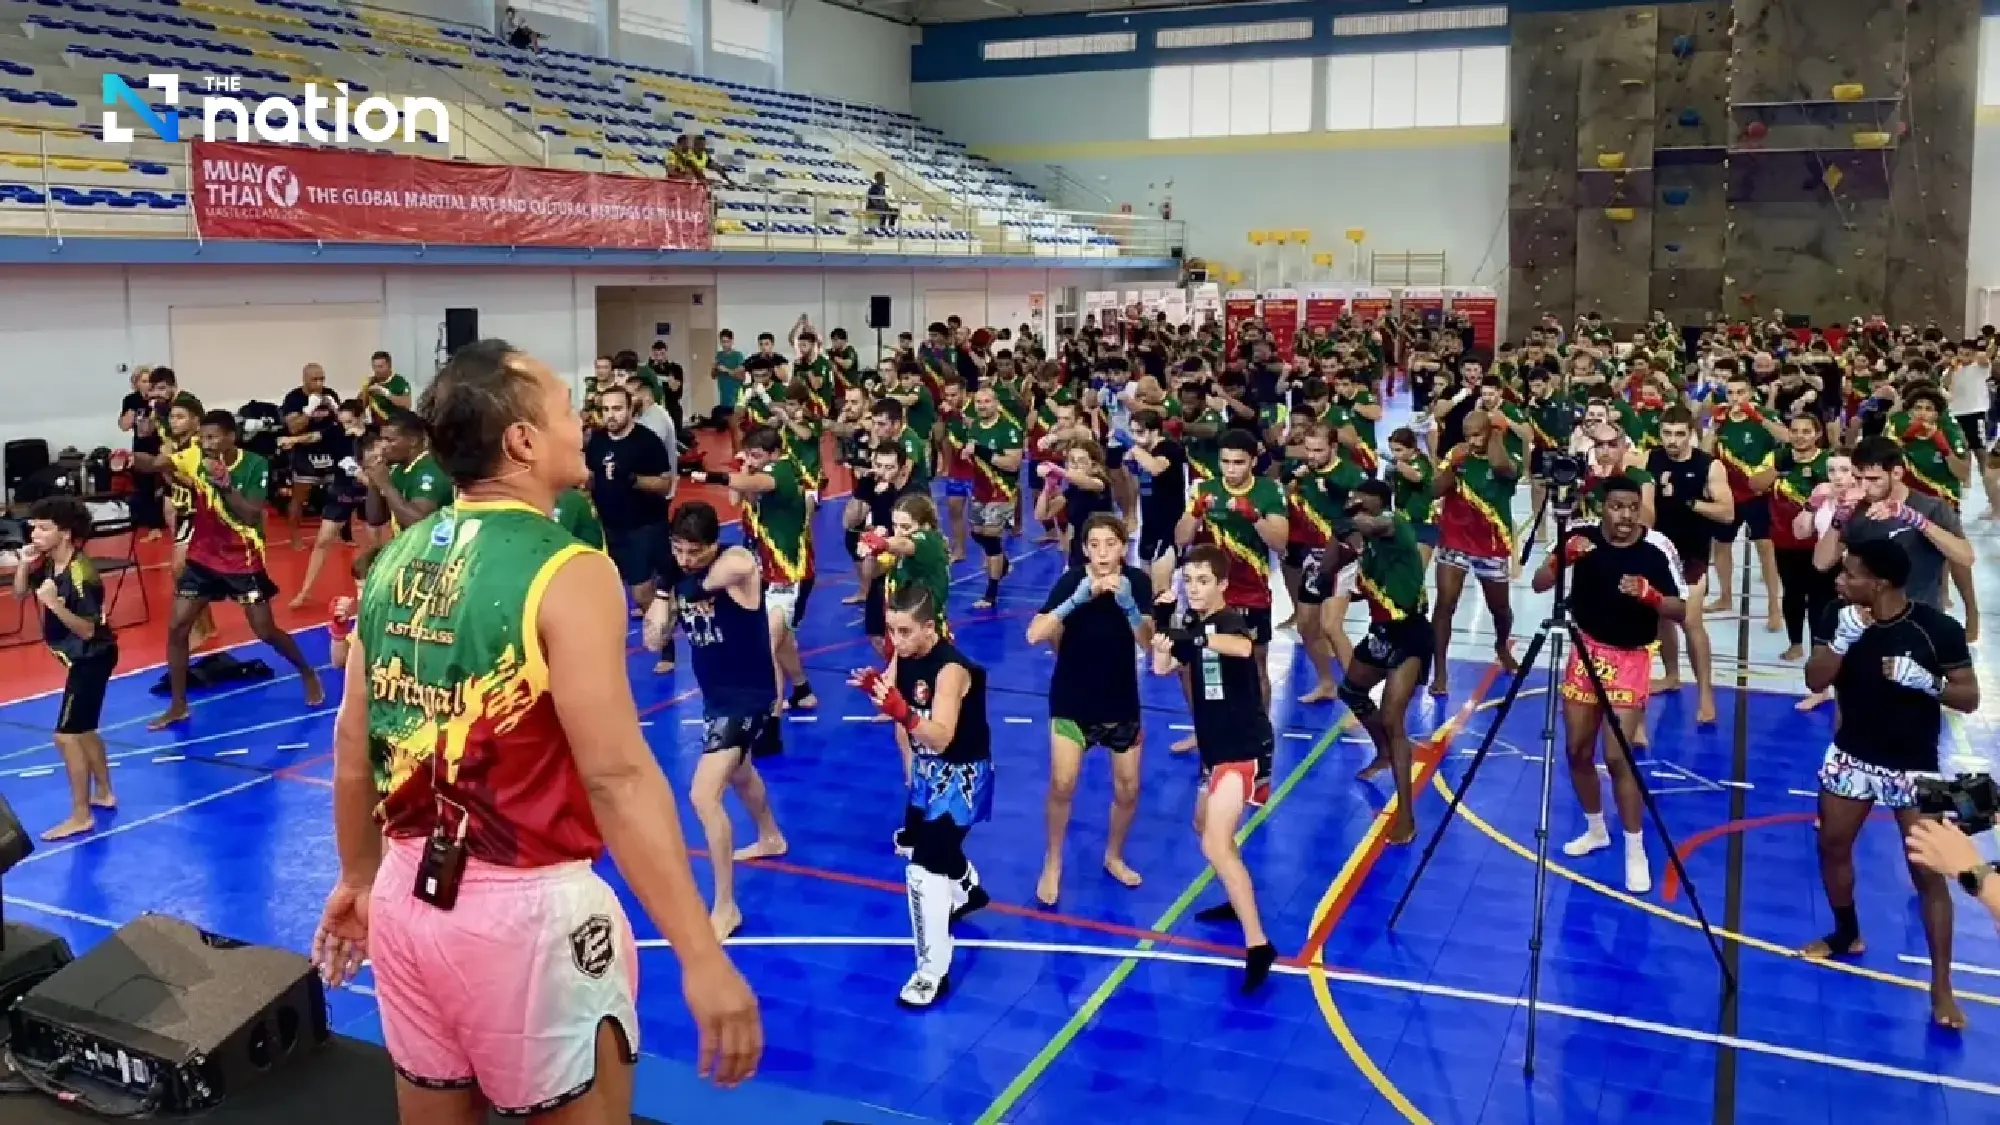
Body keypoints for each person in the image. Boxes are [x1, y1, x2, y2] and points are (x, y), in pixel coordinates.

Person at [314, 341, 761, 1123]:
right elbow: (617, 777)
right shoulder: (570, 568)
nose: (579, 421)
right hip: (526, 918)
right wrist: (700, 953)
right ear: (522, 441)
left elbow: (354, 744)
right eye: (563, 408)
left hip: (405, 899)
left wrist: (357, 878)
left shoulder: (390, 563)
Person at [1802, 538, 1979, 1030]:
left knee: (1928, 874)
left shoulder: (1936, 629)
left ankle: (1942, 988)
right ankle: (1846, 934)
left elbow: (1969, 698)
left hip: (1913, 766)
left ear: (1878, 583)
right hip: (1851, 755)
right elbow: (1815, 680)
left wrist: (1930, 683)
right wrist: (1840, 643)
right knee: (1831, 845)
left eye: (1850, 574)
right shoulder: (1837, 615)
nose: (1840, 581)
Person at [643, 502, 790, 941]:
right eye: (678, 550)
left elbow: (741, 565)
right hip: (716, 698)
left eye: (695, 551)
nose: (686, 559)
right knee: (741, 774)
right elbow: (652, 640)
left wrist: (688, 584)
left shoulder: (733, 562)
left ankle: (726, 907)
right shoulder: (676, 575)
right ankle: (770, 836)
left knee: (704, 795)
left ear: (712, 544)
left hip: (748, 698)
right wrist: (663, 600)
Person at [1535, 475, 1686, 894]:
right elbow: (1539, 583)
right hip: (1585, 651)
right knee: (1576, 750)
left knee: (1618, 758)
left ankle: (1635, 849)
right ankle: (1596, 828)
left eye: (1633, 508)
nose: (1626, 515)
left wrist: (1651, 595)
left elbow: (1681, 610)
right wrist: (1562, 558)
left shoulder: (1656, 549)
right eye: (1617, 507)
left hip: (1630, 659)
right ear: (1603, 507)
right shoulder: (1581, 536)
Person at [850, 585, 993, 1007]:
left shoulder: (951, 671)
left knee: (924, 870)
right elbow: (893, 700)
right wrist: (878, 690)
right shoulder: (904, 654)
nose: (896, 641)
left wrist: (901, 712)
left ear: (929, 628)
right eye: (891, 630)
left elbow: (942, 736)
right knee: (921, 845)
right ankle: (966, 889)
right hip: (928, 774)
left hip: (962, 777)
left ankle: (932, 973)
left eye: (905, 631)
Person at [1149, 544, 1278, 992]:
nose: (1195, 589)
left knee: (1214, 844)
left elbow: (1242, 647)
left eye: (1203, 581)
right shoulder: (1192, 622)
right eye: (1189, 581)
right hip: (1215, 750)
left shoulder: (1227, 621)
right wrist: (1163, 628)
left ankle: (1258, 945)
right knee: (1203, 826)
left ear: (1222, 584)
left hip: (1243, 749)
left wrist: (1197, 637)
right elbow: (1162, 667)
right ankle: (1233, 892)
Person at [151, 411, 322, 730]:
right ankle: (178, 705)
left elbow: (251, 514)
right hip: (203, 557)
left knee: (265, 630)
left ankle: (307, 672)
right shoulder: (194, 455)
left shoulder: (255, 464)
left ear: (231, 437)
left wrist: (226, 486)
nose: (206, 443)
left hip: (242, 558)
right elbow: (156, 464)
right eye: (203, 437)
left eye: (213, 437)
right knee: (177, 627)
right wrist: (133, 459)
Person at [1025, 513, 1153, 907]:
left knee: (1128, 789)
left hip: (1120, 701)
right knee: (1062, 784)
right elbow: (1034, 634)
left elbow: (1148, 644)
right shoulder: (1071, 581)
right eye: (1094, 545)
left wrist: (1129, 606)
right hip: (1072, 701)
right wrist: (1077, 599)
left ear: (1123, 547)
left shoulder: (1138, 582)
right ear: (1084, 550)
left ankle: (1113, 855)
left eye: (1110, 544)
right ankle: (1053, 861)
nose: (1102, 553)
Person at [682, 425, 818, 711]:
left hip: (788, 575)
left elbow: (758, 485)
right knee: (782, 639)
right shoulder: (757, 472)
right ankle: (803, 690)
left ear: (775, 453)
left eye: (757, 455)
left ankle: (771, 721)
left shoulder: (782, 471)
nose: (752, 460)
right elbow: (736, 498)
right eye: (749, 454)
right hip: (766, 570)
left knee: (765, 649)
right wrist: (744, 468)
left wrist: (714, 476)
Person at [1334, 480, 1433, 846]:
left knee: (1394, 719)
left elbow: (1374, 524)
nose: (1358, 504)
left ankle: (1406, 815)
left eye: (1364, 500)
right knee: (1351, 691)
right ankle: (1384, 752)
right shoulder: (1368, 548)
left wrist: (1350, 516)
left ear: (1379, 501)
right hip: (1380, 633)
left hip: (1410, 635)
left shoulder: (1395, 524)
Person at [13, 497, 117, 841]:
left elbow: (87, 630)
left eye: (44, 528)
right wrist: (24, 565)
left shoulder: (82, 575)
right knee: (85, 730)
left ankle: (81, 816)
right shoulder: (48, 563)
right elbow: (19, 594)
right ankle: (104, 792)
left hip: (91, 657)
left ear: (67, 533)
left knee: (66, 735)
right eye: (33, 527)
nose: (34, 534)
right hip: (80, 656)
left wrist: (54, 605)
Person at [1430, 397, 1525, 697]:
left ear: (1490, 432)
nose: (1471, 441)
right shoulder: (1458, 455)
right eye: (1467, 435)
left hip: (1491, 544)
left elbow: (1502, 468)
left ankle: (1501, 645)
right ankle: (1440, 670)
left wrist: (1495, 436)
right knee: (1445, 604)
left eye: (1477, 435)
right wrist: (1452, 465)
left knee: (1500, 609)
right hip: (1455, 538)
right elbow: (1434, 489)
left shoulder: (1510, 455)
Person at [1812, 437, 1973, 613]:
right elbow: (1821, 563)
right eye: (1858, 478)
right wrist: (1837, 520)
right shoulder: (1855, 509)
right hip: (1869, 619)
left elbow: (1966, 557)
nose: (1864, 487)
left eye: (1874, 479)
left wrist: (1918, 521)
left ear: (1896, 473)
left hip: (1919, 617)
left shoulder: (1932, 507)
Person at [1645, 406, 1734, 725]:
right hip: (1657, 553)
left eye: (1679, 434)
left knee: (1691, 622)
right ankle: (1671, 675)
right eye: (1667, 434)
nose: (1673, 440)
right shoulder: (1649, 460)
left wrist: (1687, 500)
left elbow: (1727, 513)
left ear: (1691, 434)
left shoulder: (1708, 466)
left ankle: (1706, 695)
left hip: (1692, 555)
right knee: (1661, 617)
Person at [585, 385, 676, 614]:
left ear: (629, 409)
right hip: (608, 526)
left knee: (641, 592)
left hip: (642, 527)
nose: (610, 415)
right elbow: (591, 475)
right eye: (606, 409)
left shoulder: (647, 441)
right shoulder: (597, 440)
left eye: (617, 409)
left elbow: (665, 484)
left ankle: (663, 626)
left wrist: (634, 480)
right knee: (609, 584)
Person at [1704, 374, 1783, 630]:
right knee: (1721, 546)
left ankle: (1774, 608)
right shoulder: (1721, 418)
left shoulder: (1763, 415)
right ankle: (1725, 597)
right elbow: (1703, 453)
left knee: (1765, 548)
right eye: (1731, 393)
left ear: (1750, 393)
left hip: (1757, 495)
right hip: (1727, 494)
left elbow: (1788, 438)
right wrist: (1713, 428)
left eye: (1741, 392)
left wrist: (1758, 418)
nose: (1736, 398)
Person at [366, 409, 454, 535]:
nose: (383, 446)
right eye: (382, 439)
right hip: (407, 544)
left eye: (390, 440)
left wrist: (386, 485)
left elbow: (419, 524)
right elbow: (376, 519)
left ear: (413, 441)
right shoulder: (397, 469)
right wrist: (373, 480)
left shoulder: (430, 470)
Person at [362, 350, 412, 426]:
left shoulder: (399, 382)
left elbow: (407, 405)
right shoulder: (370, 382)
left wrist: (385, 393)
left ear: (389, 366)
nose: (377, 370)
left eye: (380, 367)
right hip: (376, 426)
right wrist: (365, 390)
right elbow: (359, 407)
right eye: (374, 367)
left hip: (396, 426)